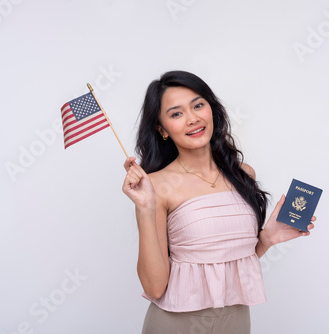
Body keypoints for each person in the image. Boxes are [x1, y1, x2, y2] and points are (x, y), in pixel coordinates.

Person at [122, 71, 316, 334]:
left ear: (212, 109)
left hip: (235, 319)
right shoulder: (155, 186)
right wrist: (145, 208)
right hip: (177, 323)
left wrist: (266, 239)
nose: (193, 119)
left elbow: (227, 264)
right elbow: (154, 287)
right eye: (176, 114)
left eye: (198, 105)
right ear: (162, 130)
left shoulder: (243, 174)